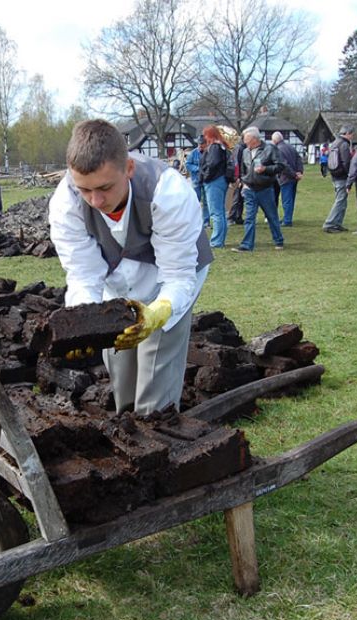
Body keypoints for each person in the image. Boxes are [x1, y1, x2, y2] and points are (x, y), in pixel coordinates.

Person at [47, 119, 212, 415]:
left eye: (105, 188)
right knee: (120, 361)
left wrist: (158, 312)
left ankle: (159, 433)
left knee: (156, 359)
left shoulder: (168, 191)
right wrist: (82, 326)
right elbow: (84, 274)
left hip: (171, 279)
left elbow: (177, 276)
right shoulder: (66, 202)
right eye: (85, 189)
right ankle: (127, 428)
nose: (95, 201)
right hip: (117, 279)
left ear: (129, 169)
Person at [233, 127, 285, 252]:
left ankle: (279, 240)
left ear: (254, 139)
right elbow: (243, 169)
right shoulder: (245, 151)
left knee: (271, 216)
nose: (245, 143)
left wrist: (265, 170)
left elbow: (280, 166)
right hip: (249, 189)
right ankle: (247, 245)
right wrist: (243, 181)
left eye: (247, 140)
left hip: (265, 189)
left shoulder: (269, 149)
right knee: (250, 217)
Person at [200, 125, 231, 248]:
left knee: (216, 212)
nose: (204, 138)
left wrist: (205, 177)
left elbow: (212, 164)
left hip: (214, 181)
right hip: (221, 180)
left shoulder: (214, 147)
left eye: (205, 135)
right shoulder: (222, 147)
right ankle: (220, 238)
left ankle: (217, 241)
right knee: (221, 212)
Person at [322, 124, 354, 233]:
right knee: (340, 200)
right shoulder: (344, 145)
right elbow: (346, 162)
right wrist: (350, 175)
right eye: (351, 134)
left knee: (342, 200)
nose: (352, 137)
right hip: (342, 176)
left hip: (334, 174)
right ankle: (329, 223)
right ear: (347, 134)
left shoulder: (334, 143)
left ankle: (337, 223)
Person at [272, 131, 303, 227]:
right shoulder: (291, 147)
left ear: (274, 140)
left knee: (286, 200)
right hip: (294, 177)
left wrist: (293, 174)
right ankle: (287, 217)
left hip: (286, 178)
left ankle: (287, 220)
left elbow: (284, 166)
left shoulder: (278, 150)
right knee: (291, 199)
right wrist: (299, 172)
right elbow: (299, 159)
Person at [185, 136, 208, 226]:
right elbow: (188, 164)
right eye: (199, 144)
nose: (200, 146)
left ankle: (206, 222)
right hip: (196, 180)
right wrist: (198, 169)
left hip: (206, 180)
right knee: (195, 201)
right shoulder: (193, 153)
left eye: (202, 144)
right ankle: (194, 221)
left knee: (206, 202)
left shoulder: (209, 152)